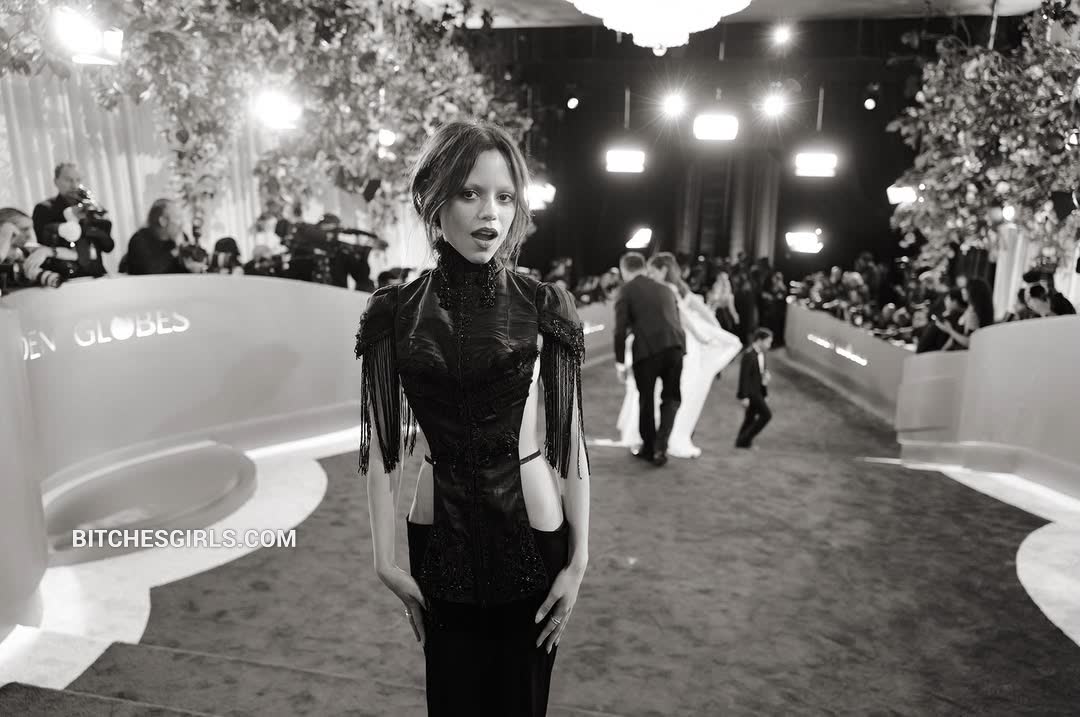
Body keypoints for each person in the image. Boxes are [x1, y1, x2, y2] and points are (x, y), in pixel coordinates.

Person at [354, 121, 590, 716]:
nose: (491, 213)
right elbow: (384, 447)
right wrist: (383, 559)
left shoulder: (545, 306)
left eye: (505, 197)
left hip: (535, 523)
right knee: (452, 700)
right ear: (434, 199)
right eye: (470, 193)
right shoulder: (393, 313)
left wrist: (579, 561)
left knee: (522, 700)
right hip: (439, 528)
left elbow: (571, 442)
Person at [616, 253, 742, 458]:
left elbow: (683, 317)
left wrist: (704, 336)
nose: (649, 275)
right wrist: (711, 334)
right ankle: (662, 444)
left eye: (653, 271)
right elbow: (704, 314)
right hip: (679, 347)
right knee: (672, 397)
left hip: (658, 348)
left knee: (651, 397)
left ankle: (652, 444)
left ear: (663, 270)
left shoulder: (656, 289)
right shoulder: (676, 289)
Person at [612, 251, 686, 467]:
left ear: (624, 270)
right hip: (675, 347)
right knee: (671, 398)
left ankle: (649, 448)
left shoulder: (626, 290)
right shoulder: (665, 288)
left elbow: (619, 330)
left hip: (647, 351)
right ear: (644, 267)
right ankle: (661, 448)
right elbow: (676, 320)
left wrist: (620, 363)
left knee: (646, 399)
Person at [735, 327, 774, 449]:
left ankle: (741, 442)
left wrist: (765, 391)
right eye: (768, 342)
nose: (769, 345)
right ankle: (745, 439)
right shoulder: (749, 354)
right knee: (766, 415)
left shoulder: (762, 354)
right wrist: (744, 396)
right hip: (752, 393)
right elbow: (744, 377)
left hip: (758, 391)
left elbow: (760, 375)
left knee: (750, 418)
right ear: (760, 340)